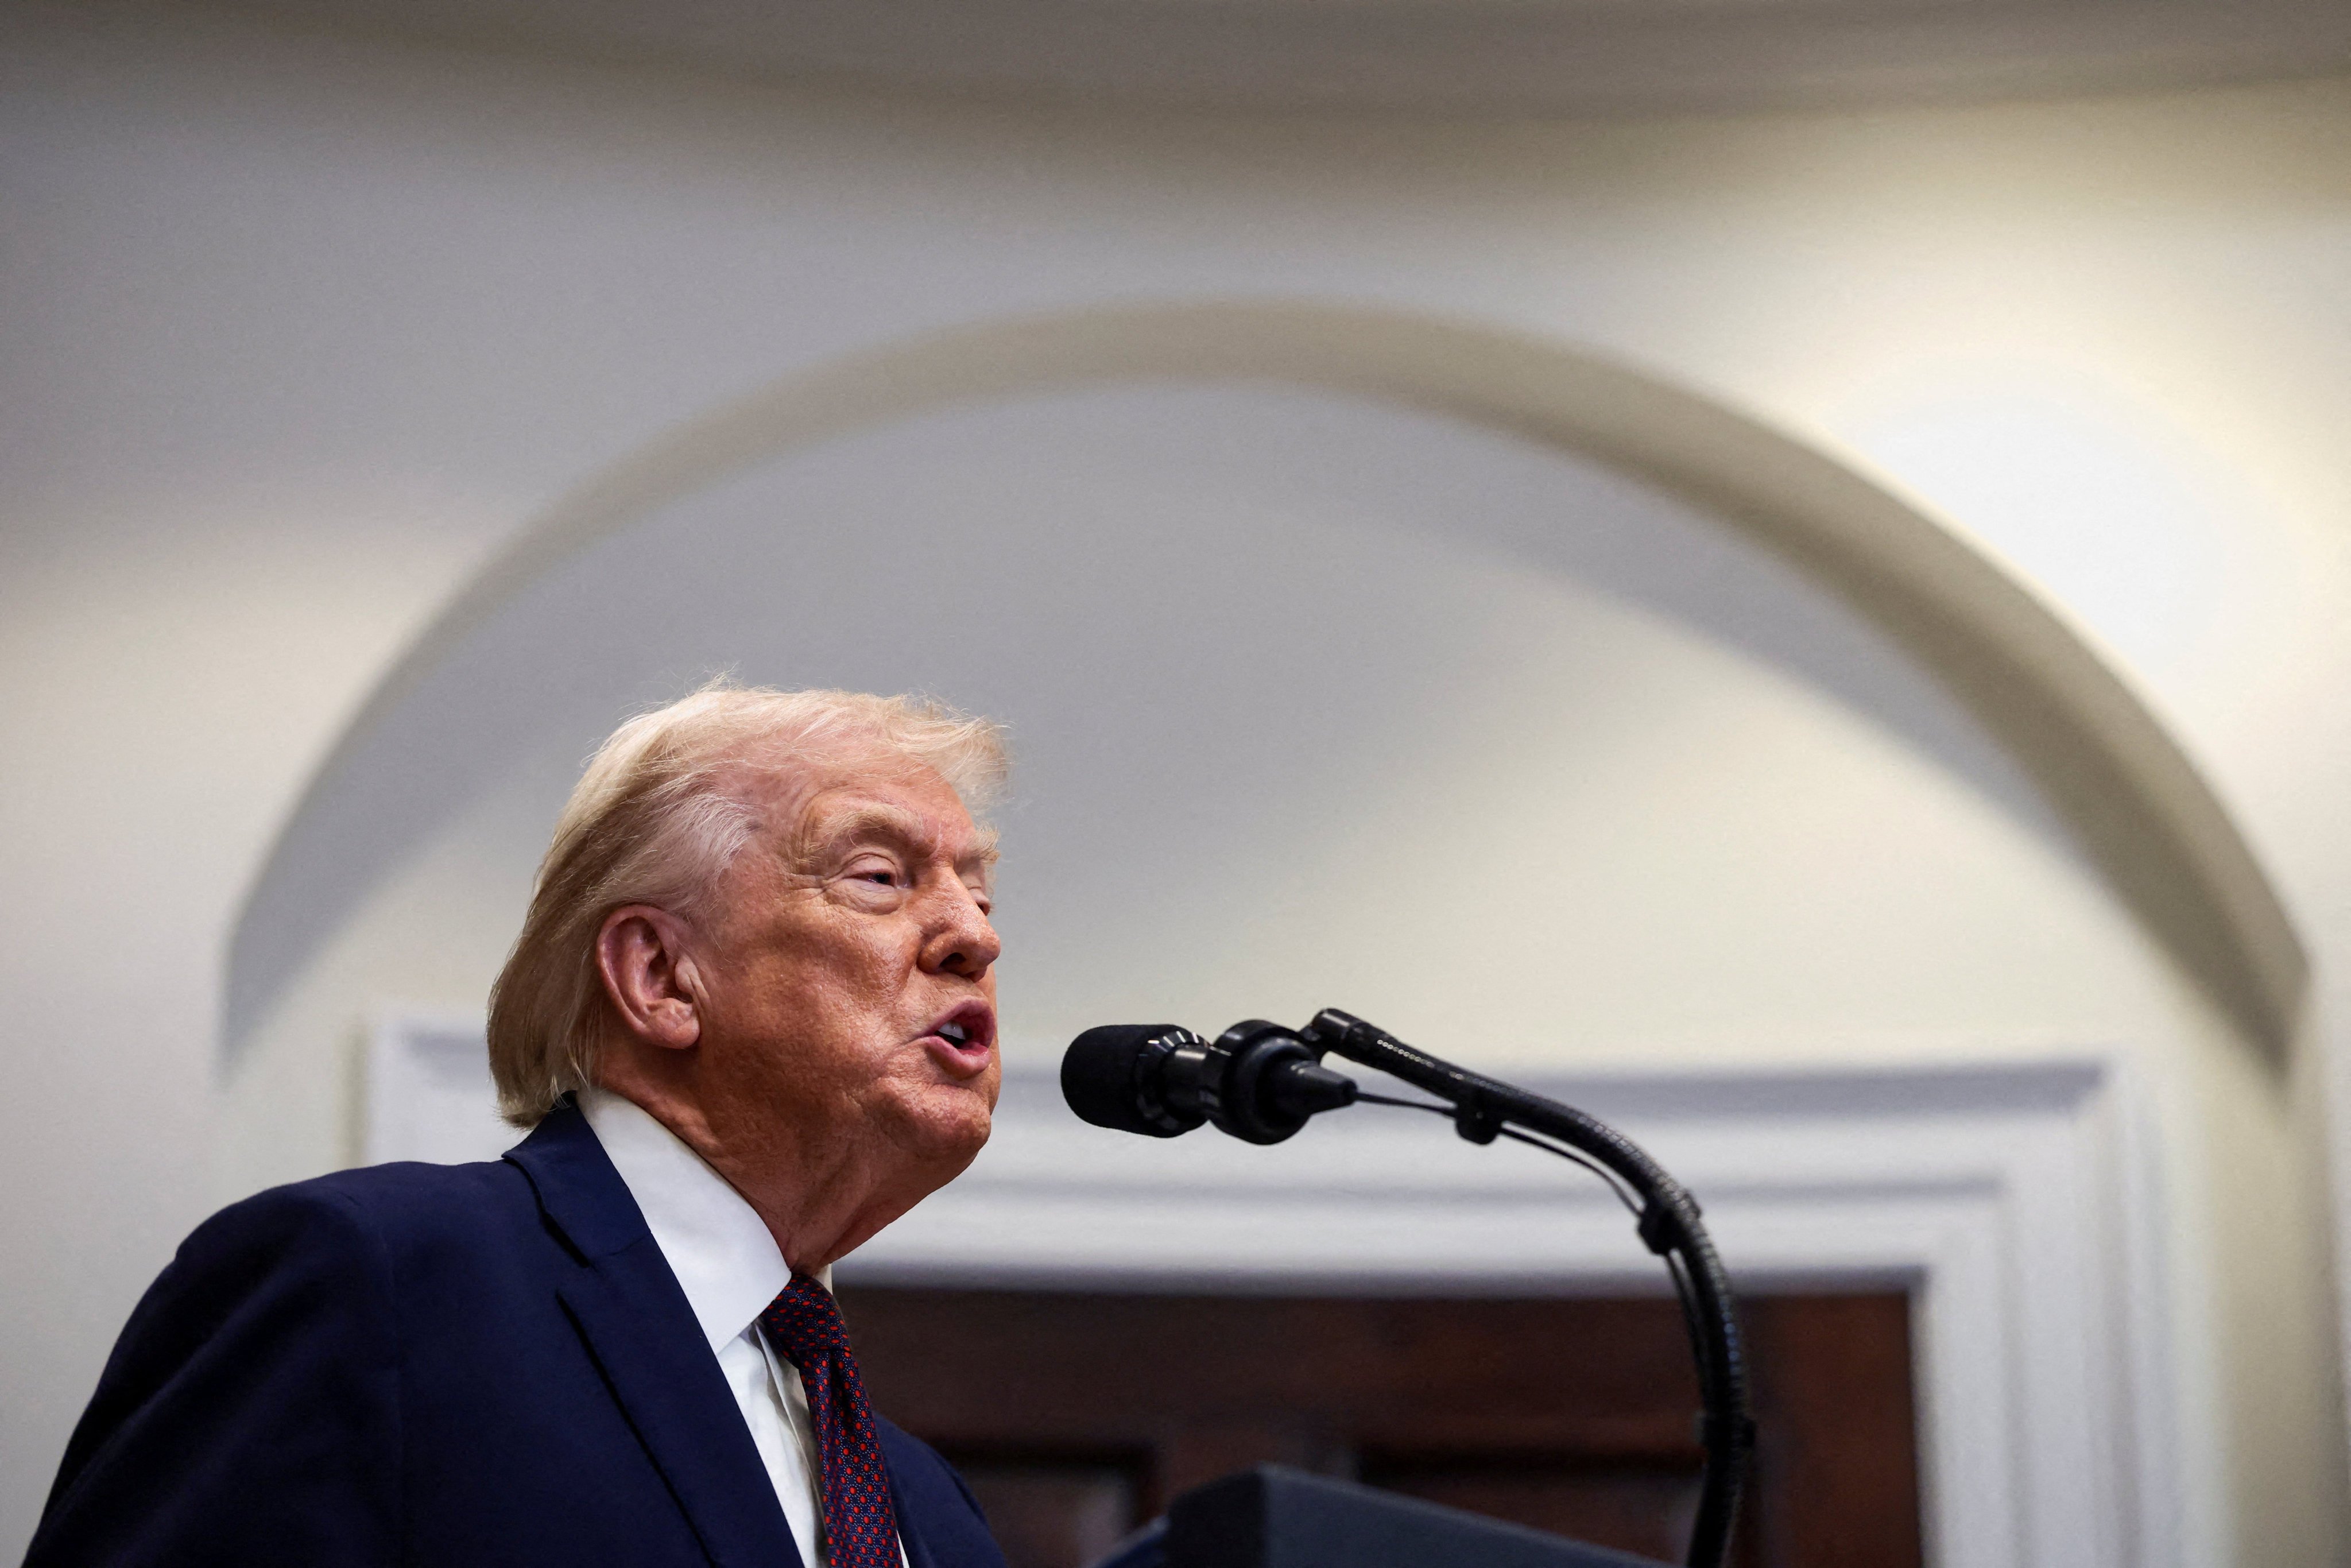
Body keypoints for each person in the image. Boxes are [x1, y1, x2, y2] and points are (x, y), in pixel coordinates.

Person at [28, 684, 1014, 1568]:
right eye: (880, 876)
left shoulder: (925, 1507)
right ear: (662, 978)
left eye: (978, 891)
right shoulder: (376, 1286)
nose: (976, 935)